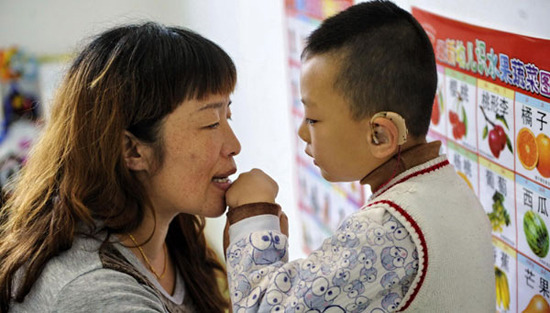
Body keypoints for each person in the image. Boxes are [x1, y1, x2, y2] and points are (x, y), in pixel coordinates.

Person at [223, 1, 495, 312]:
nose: (302, 132)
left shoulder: (387, 230)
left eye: (313, 119)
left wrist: (254, 215)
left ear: (380, 135)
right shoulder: (451, 190)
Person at [0, 22, 241, 312]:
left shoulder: (170, 236)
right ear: (132, 149)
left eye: (228, 116)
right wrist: (256, 256)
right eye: (211, 123)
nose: (234, 144)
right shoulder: (95, 292)